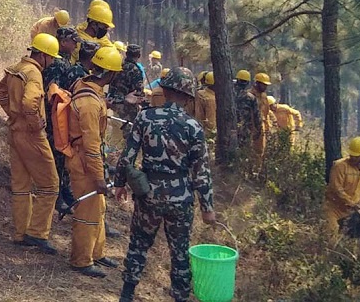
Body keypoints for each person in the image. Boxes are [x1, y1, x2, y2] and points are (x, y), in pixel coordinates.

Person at [114, 68, 216, 302]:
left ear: (166, 90)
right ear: (189, 96)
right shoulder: (193, 127)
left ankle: (127, 293)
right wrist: (207, 207)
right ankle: (179, 296)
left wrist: (120, 183)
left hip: (148, 193)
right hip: (180, 198)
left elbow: (127, 156)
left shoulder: (145, 117)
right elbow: (201, 172)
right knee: (180, 252)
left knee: (138, 244)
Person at [0, 33, 62, 255]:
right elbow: (30, 102)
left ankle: (20, 233)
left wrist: (11, 114)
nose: (51, 62)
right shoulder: (34, 73)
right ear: (42, 55)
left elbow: (0, 92)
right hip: (31, 135)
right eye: (51, 58)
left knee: (21, 186)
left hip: (15, 131)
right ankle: (37, 233)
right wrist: (34, 122)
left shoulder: (16, 68)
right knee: (50, 185)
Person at [68, 45, 123, 278]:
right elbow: (91, 144)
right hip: (84, 160)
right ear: (110, 74)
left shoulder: (85, 85)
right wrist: (99, 176)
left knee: (98, 207)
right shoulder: (90, 104)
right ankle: (81, 260)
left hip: (86, 157)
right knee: (88, 211)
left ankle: (96, 252)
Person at [43, 26, 84, 215]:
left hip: (65, 116)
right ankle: (56, 196)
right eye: (73, 41)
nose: (75, 45)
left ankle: (64, 190)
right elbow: (52, 92)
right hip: (56, 117)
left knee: (64, 156)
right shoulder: (55, 62)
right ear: (63, 41)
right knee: (57, 157)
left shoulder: (66, 61)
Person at [325, 136, 360, 239]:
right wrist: (351, 203)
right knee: (332, 236)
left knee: (356, 238)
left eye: (356, 156)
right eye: (351, 154)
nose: (352, 157)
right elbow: (336, 188)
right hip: (334, 209)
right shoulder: (339, 166)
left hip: (350, 211)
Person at [107, 44, 146, 123]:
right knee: (126, 131)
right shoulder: (136, 71)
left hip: (113, 103)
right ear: (139, 56)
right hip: (128, 108)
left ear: (126, 54)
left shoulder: (118, 65)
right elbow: (139, 92)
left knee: (115, 129)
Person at [234, 70, 263, 164]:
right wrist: (258, 130)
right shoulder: (250, 97)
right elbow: (256, 116)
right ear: (247, 83)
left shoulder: (226, 94)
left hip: (227, 129)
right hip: (243, 131)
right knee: (244, 155)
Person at [252, 72, 276, 166]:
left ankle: (258, 171)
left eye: (266, 85)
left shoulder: (264, 96)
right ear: (257, 83)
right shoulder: (250, 95)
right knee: (253, 151)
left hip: (263, 127)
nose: (265, 87)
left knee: (261, 151)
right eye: (263, 84)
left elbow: (266, 112)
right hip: (253, 127)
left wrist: (267, 127)